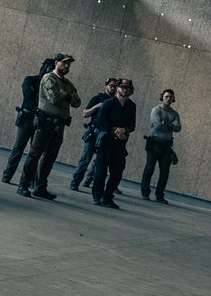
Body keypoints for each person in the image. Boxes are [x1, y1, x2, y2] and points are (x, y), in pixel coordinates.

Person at [16, 53, 78, 199]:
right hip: (46, 122)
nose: (67, 66)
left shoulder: (68, 84)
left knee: (49, 158)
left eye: (69, 64)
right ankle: (23, 185)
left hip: (59, 125)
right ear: (56, 63)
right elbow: (53, 98)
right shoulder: (48, 78)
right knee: (35, 154)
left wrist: (66, 95)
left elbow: (77, 102)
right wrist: (68, 96)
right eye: (64, 63)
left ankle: (40, 187)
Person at [2, 58, 55, 186]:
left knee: (35, 153)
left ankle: (29, 181)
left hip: (40, 121)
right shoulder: (30, 80)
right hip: (27, 119)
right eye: (47, 68)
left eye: (51, 69)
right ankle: (7, 175)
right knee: (18, 148)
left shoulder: (50, 86)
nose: (48, 71)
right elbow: (28, 97)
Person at [88, 79, 137, 209]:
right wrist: (114, 130)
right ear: (117, 89)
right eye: (123, 87)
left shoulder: (132, 106)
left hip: (120, 143)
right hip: (106, 141)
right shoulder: (108, 103)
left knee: (117, 172)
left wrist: (124, 130)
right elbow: (100, 121)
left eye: (128, 88)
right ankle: (97, 195)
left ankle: (108, 197)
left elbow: (132, 125)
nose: (125, 90)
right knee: (101, 171)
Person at [68, 77, 118, 191]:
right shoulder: (98, 98)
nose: (113, 88)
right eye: (111, 85)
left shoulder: (116, 102)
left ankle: (87, 181)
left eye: (115, 86)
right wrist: (97, 106)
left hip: (106, 134)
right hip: (94, 131)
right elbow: (85, 114)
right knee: (86, 158)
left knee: (99, 162)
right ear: (106, 85)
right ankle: (75, 182)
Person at [140, 88, 181, 204]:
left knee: (164, 171)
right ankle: (145, 192)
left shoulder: (174, 113)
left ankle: (159, 195)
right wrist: (170, 125)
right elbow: (157, 125)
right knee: (149, 168)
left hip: (167, 145)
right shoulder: (156, 110)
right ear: (162, 97)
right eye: (166, 96)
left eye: (170, 97)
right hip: (154, 142)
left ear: (173, 99)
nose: (168, 99)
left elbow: (179, 128)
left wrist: (166, 124)